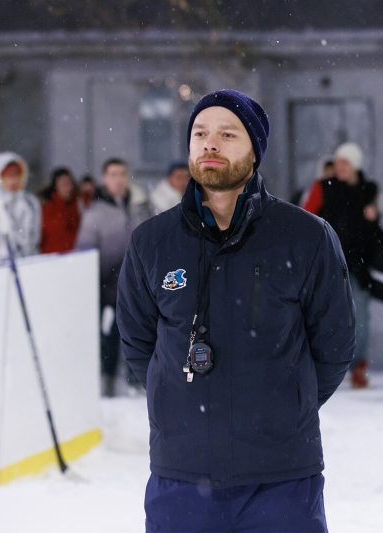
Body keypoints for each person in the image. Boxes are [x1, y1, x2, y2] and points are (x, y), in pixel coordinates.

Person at [117, 90, 354, 533]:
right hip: (181, 478)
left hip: (282, 480)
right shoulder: (152, 241)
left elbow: (335, 346)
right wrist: (179, 402)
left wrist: (284, 402)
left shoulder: (306, 237)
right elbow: (138, 343)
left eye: (228, 134)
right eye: (200, 133)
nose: (210, 144)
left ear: (254, 151)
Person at [302, 142, 378, 389]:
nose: (340, 167)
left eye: (345, 163)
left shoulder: (368, 190)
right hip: (329, 262)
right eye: (338, 162)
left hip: (359, 264)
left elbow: (374, 227)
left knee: (360, 315)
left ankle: (358, 366)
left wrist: (374, 213)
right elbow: (305, 217)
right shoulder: (324, 187)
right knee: (324, 314)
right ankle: (324, 365)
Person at [75, 158, 150, 397]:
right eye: (113, 174)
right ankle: (107, 384)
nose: (118, 179)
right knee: (110, 338)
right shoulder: (95, 213)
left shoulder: (140, 207)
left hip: (138, 287)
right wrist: (92, 286)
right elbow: (84, 252)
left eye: (122, 174)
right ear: (105, 179)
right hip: (109, 288)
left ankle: (135, 382)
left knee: (139, 335)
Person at [40, 167, 80, 254]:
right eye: (63, 184)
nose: (67, 187)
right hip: (52, 258)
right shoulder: (46, 209)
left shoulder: (79, 204)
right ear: (56, 186)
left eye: (69, 183)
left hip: (76, 257)